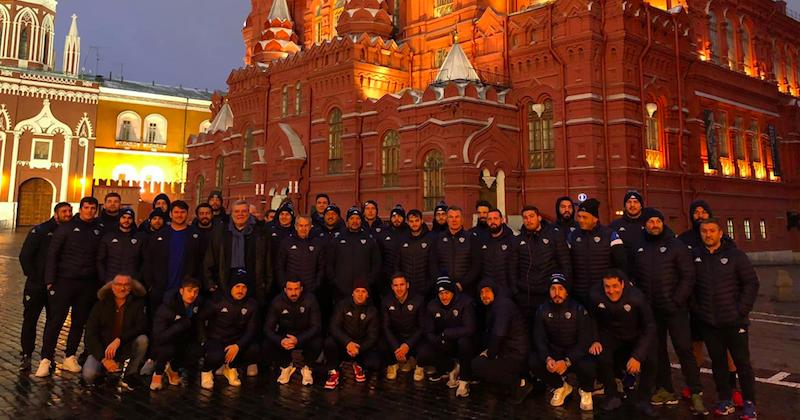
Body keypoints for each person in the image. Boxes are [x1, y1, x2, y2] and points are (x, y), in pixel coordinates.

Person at [632, 208, 706, 414]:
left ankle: (696, 393)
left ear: (663, 223)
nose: (654, 225)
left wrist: (676, 301)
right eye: (650, 221)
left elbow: (687, 276)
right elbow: (635, 278)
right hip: (651, 311)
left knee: (684, 350)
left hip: (675, 310)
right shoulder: (639, 247)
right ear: (644, 225)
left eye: (657, 221)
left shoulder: (676, 245)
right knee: (658, 352)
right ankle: (664, 389)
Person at [692, 218, 759, 419]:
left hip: (735, 322)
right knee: (718, 364)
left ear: (720, 233)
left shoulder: (736, 255)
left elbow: (751, 283)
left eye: (712, 230)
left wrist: (741, 310)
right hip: (710, 323)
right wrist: (699, 311)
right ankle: (725, 399)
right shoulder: (696, 257)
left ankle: (749, 403)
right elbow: (690, 287)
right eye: (704, 231)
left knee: (742, 363)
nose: (708, 234)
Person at [678, 199, 742, 403]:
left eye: (703, 211)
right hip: (695, 303)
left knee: (727, 349)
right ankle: (694, 386)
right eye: (695, 212)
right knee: (695, 347)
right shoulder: (683, 239)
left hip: (722, 305)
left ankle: (732, 388)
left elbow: (739, 273)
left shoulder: (726, 242)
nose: (699, 215)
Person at [36, 197, 103, 377]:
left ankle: (70, 356)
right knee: (55, 322)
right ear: (80, 209)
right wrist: (50, 280)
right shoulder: (65, 228)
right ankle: (46, 359)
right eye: (86, 207)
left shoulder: (99, 229)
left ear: (96, 210)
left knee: (78, 322)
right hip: (65, 281)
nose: (89, 210)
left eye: (92, 208)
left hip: (87, 284)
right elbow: (53, 255)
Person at [589, 269, 657, 416]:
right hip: (612, 334)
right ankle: (612, 395)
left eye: (615, 286)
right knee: (601, 356)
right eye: (607, 286)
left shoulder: (637, 297)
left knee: (651, 360)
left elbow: (650, 326)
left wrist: (638, 356)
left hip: (636, 334)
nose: (611, 291)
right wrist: (595, 339)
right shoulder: (595, 294)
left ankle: (644, 400)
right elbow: (592, 318)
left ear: (623, 284)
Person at [18, 202, 72, 371]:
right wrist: (35, 277)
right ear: (56, 213)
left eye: (70, 211)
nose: (68, 214)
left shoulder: (69, 232)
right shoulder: (40, 230)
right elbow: (25, 256)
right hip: (37, 285)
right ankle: (26, 354)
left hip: (57, 286)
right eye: (64, 211)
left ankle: (47, 356)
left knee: (53, 322)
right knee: (30, 320)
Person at [530, 274, 594, 411]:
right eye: (553, 289)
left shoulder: (578, 309)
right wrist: (547, 358)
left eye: (560, 289)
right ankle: (560, 386)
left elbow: (584, 341)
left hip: (573, 356)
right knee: (533, 360)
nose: (556, 293)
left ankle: (586, 390)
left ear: (566, 291)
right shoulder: (542, 310)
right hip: (554, 354)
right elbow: (539, 338)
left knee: (589, 363)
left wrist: (567, 361)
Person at [81, 274, 149, 390]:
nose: (122, 288)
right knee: (89, 376)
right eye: (118, 284)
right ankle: (105, 372)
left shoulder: (137, 304)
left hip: (124, 346)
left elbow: (141, 326)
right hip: (102, 349)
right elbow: (90, 334)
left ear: (131, 287)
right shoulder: (100, 304)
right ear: (112, 286)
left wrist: (119, 340)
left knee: (143, 340)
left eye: (126, 285)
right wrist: (103, 358)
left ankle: (130, 374)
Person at [471, 278, 531, 404]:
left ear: (494, 291)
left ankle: (519, 384)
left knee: (477, 365)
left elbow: (499, 333)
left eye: (487, 291)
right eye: (481, 293)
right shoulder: (497, 305)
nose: (484, 295)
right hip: (509, 351)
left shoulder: (502, 306)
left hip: (515, 355)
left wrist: (490, 353)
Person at [199, 269, 260, 390]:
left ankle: (231, 367)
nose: (240, 290)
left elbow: (251, 329)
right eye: (237, 286)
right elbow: (200, 319)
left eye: (244, 287)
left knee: (254, 349)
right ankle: (206, 371)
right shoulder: (217, 301)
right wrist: (203, 340)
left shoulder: (252, 304)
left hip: (236, 340)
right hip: (217, 339)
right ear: (231, 287)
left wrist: (238, 345)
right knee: (216, 355)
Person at [418, 276, 476, 398]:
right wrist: (438, 340)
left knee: (464, 342)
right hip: (444, 342)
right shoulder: (432, 306)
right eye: (441, 293)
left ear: (453, 292)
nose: (444, 297)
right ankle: (451, 368)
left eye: (447, 293)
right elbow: (428, 331)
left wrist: (446, 333)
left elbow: (470, 328)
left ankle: (464, 380)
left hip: (462, 343)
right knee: (423, 353)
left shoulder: (465, 302)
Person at [142, 201, 204, 313]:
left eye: (182, 212)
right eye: (176, 212)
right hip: (160, 290)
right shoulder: (159, 236)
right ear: (170, 214)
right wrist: (150, 286)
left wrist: (196, 284)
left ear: (187, 214)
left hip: (186, 291)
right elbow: (148, 261)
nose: (179, 215)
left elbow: (201, 262)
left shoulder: (196, 236)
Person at [567, 198, 626, 306]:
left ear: (595, 219)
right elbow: (567, 263)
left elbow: (621, 263)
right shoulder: (573, 236)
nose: (580, 220)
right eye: (579, 216)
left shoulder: (610, 235)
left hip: (603, 293)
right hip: (579, 294)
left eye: (584, 217)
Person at [515, 205, 572, 319]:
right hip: (526, 295)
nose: (528, 220)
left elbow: (565, 263)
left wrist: (564, 287)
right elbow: (513, 266)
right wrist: (516, 290)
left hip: (548, 292)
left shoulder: (554, 235)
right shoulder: (518, 239)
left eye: (531, 216)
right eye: (525, 217)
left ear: (539, 218)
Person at [323, 279, 381, 390]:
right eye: (357, 291)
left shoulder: (372, 311)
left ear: (367, 294)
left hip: (360, 347)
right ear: (352, 293)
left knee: (375, 363)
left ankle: (359, 365)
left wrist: (359, 348)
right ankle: (334, 372)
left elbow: (373, 337)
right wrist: (347, 342)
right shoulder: (342, 305)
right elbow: (333, 327)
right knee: (329, 343)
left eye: (363, 291)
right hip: (344, 345)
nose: (360, 294)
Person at [263, 277, 321, 386]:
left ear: (301, 289)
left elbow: (316, 326)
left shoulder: (311, 299)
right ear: (285, 290)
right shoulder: (277, 302)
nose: (293, 293)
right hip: (285, 337)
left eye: (296, 289)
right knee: (267, 344)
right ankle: (286, 366)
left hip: (304, 336)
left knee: (318, 342)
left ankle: (307, 368)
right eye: (290, 289)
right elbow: (267, 328)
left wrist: (298, 340)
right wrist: (280, 340)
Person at [150, 277, 204, 391]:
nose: (192, 295)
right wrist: (180, 325)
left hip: (183, 339)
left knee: (196, 350)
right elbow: (159, 337)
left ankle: (173, 369)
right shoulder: (167, 307)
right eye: (189, 290)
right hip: (165, 341)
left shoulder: (196, 304)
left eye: (196, 291)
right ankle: (158, 374)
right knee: (168, 349)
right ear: (181, 291)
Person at [325, 207, 381, 300]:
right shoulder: (337, 239)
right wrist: (335, 281)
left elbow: (376, 263)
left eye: (358, 218)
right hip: (341, 289)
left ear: (361, 221)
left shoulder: (369, 239)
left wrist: (369, 281)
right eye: (351, 218)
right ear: (347, 221)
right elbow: (329, 262)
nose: (355, 221)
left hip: (362, 290)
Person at [381, 274, 425, 381]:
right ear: (392, 287)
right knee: (381, 344)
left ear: (407, 285)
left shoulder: (419, 300)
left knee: (426, 350)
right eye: (396, 285)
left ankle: (419, 365)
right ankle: (393, 364)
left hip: (413, 339)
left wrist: (407, 345)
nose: (399, 288)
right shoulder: (386, 301)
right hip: (397, 338)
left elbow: (422, 327)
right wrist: (397, 347)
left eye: (402, 284)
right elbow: (386, 327)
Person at [429, 206, 481, 296]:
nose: (454, 220)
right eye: (451, 217)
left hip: (466, 290)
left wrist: (462, 284)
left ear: (462, 219)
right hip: (443, 290)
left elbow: (476, 266)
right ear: (447, 219)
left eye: (457, 217)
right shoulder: (438, 239)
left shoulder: (471, 238)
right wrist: (442, 282)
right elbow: (433, 264)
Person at [276, 215, 325, 295]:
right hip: (291, 290)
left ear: (310, 227)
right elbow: (280, 266)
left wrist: (316, 285)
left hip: (311, 290)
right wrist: (284, 284)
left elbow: (321, 267)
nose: (303, 229)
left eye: (306, 225)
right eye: (301, 225)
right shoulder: (286, 242)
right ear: (296, 227)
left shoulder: (318, 243)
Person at [96, 208, 143, 283]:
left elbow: (145, 261)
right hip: (111, 280)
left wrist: (138, 278)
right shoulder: (108, 237)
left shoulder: (140, 238)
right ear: (119, 218)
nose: (126, 220)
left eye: (129, 218)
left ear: (133, 220)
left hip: (132, 281)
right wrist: (104, 278)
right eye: (123, 217)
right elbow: (100, 260)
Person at [397, 209, 434, 298]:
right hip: (407, 289)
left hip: (426, 289)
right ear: (408, 222)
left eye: (417, 220)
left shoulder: (430, 239)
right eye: (411, 221)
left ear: (422, 221)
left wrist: (429, 285)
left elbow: (434, 265)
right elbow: (397, 263)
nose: (414, 224)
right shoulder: (402, 239)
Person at [479, 209, 518, 291]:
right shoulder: (481, 241)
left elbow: (515, 268)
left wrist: (513, 290)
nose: (492, 222)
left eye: (495, 218)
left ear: (502, 220)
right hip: (487, 290)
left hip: (506, 290)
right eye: (489, 219)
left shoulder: (512, 240)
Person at [375, 204, 408, 299]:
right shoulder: (383, 233)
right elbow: (379, 256)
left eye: (399, 216)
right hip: (386, 277)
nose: (396, 219)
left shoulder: (409, 232)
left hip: (404, 275)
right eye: (394, 216)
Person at [609, 191, 646, 272]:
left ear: (641, 206)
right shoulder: (614, 226)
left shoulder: (648, 224)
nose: (632, 205)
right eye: (629, 202)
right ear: (625, 206)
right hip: (622, 275)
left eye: (635, 202)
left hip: (645, 275)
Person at [265, 202, 295, 294]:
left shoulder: (296, 231)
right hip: (271, 271)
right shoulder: (269, 229)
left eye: (287, 214)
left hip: (289, 271)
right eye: (282, 214)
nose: (284, 217)